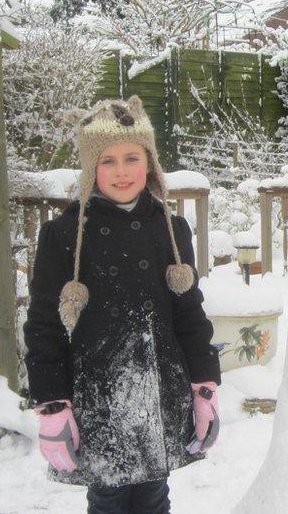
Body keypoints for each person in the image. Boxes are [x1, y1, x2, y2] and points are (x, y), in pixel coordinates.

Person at [23, 96, 221, 513]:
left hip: (160, 394)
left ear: (149, 163)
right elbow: (44, 323)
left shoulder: (172, 230)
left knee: (153, 496)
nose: (121, 171)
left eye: (132, 157)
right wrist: (53, 405)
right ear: (91, 168)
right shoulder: (64, 235)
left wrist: (204, 385)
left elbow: (189, 313)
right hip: (100, 398)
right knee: (109, 497)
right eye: (107, 160)